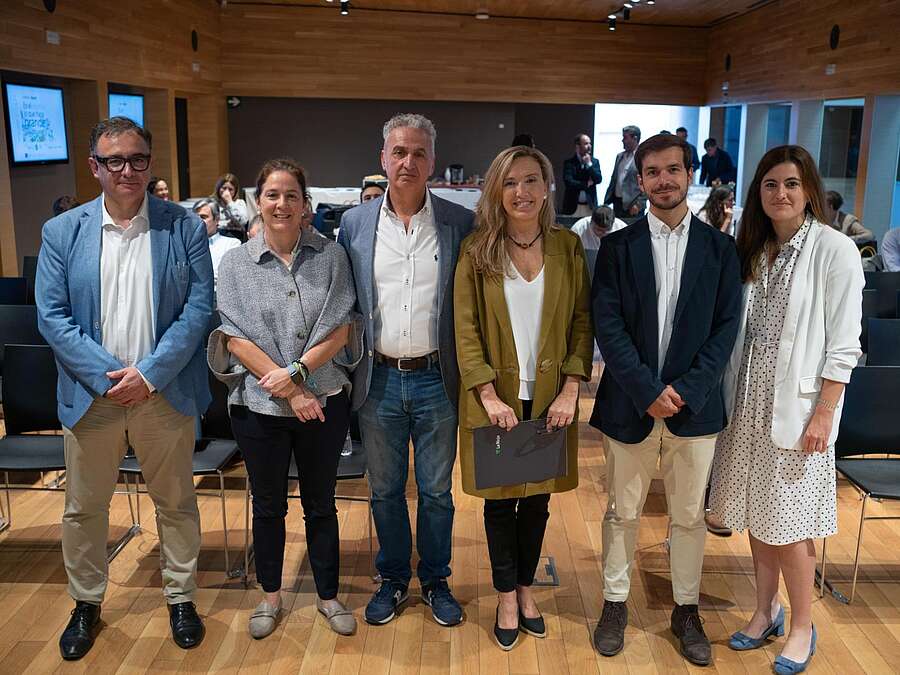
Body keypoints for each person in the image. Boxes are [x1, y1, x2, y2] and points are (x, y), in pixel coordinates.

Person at [35, 116, 213, 660]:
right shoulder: (63, 232)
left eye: (137, 159)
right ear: (95, 168)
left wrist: (150, 374)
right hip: (94, 398)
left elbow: (200, 308)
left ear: (149, 164)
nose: (127, 170)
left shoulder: (183, 226)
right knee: (83, 510)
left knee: (177, 503)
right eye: (115, 161)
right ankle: (86, 602)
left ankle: (181, 597)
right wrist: (110, 377)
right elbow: (52, 316)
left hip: (163, 394)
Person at [708, 145, 864, 675]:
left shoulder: (833, 249)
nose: (781, 193)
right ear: (758, 193)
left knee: (791, 528)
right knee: (758, 518)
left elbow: (845, 344)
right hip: (748, 406)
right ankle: (763, 611)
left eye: (792, 184)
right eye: (771, 184)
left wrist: (824, 412)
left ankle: (802, 626)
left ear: (809, 190)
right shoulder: (752, 250)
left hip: (799, 414)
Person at [590, 133, 742, 666]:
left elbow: (726, 331)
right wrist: (648, 390)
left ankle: (685, 608)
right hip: (630, 404)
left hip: (695, 408)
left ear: (689, 173)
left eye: (672, 170)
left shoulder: (723, 251)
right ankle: (614, 602)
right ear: (640, 179)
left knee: (688, 518)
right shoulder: (617, 248)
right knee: (621, 512)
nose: (663, 181)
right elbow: (607, 327)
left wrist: (688, 389)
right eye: (651, 172)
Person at [210, 158, 361, 639]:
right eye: (272, 195)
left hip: (325, 400)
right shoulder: (235, 263)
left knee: (321, 504)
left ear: (305, 205)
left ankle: (328, 596)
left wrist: (298, 376)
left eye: (291, 195)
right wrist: (293, 391)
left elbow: (341, 329)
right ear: (259, 201)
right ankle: (271, 597)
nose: (281, 203)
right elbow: (234, 337)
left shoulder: (332, 256)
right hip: (260, 407)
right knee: (269, 504)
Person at [337, 113, 474, 628]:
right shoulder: (354, 224)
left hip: (440, 378)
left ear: (432, 161)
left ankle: (436, 578)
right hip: (379, 380)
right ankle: (393, 577)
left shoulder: (460, 224)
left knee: (438, 492)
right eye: (399, 153)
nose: (408, 162)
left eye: (418, 153)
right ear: (383, 160)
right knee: (385, 490)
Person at [454, 146, 593, 650]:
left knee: (536, 503)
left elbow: (582, 321)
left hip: (552, 398)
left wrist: (572, 388)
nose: (522, 192)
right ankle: (504, 596)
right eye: (511, 182)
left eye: (532, 180)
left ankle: (527, 588)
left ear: (547, 187)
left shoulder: (567, 247)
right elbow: (465, 329)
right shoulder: (477, 250)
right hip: (500, 401)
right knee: (499, 503)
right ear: (497, 189)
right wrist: (487, 394)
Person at [193, 197, 240, 289]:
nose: (198, 221)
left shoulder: (231, 244)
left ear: (217, 219)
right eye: (195, 217)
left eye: (203, 217)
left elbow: (227, 278)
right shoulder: (186, 245)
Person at [603, 125, 646, 224]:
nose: (622, 140)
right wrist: (606, 201)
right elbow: (614, 180)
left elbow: (647, 183)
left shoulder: (643, 157)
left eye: (625, 137)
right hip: (617, 203)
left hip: (633, 206)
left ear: (635, 138)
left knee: (634, 236)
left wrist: (639, 204)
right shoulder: (619, 156)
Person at [570, 206, 627, 278]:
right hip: (584, 272)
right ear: (591, 222)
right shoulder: (579, 229)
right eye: (598, 230)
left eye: (606, 231)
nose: (602, 234)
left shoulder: (622, 229)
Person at [562, 133, 602, 216]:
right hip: (572, 206)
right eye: (586, 143)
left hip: (589, 206)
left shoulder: (594, 162)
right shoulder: (569, 163)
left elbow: (598, 179)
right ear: (577, 146)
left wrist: (589, 164)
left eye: (590, 143)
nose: (589, 146)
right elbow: (568, 182)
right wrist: (586, 184)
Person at [213, 172, 250, 238]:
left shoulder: (240, 203)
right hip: (218, 235)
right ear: (219, 188)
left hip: (235, 235)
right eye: (224, 188)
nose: (227, 192)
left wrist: (230, 202)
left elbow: (243, 221)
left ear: (235, 191)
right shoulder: (214, 204)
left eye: (230, 189)